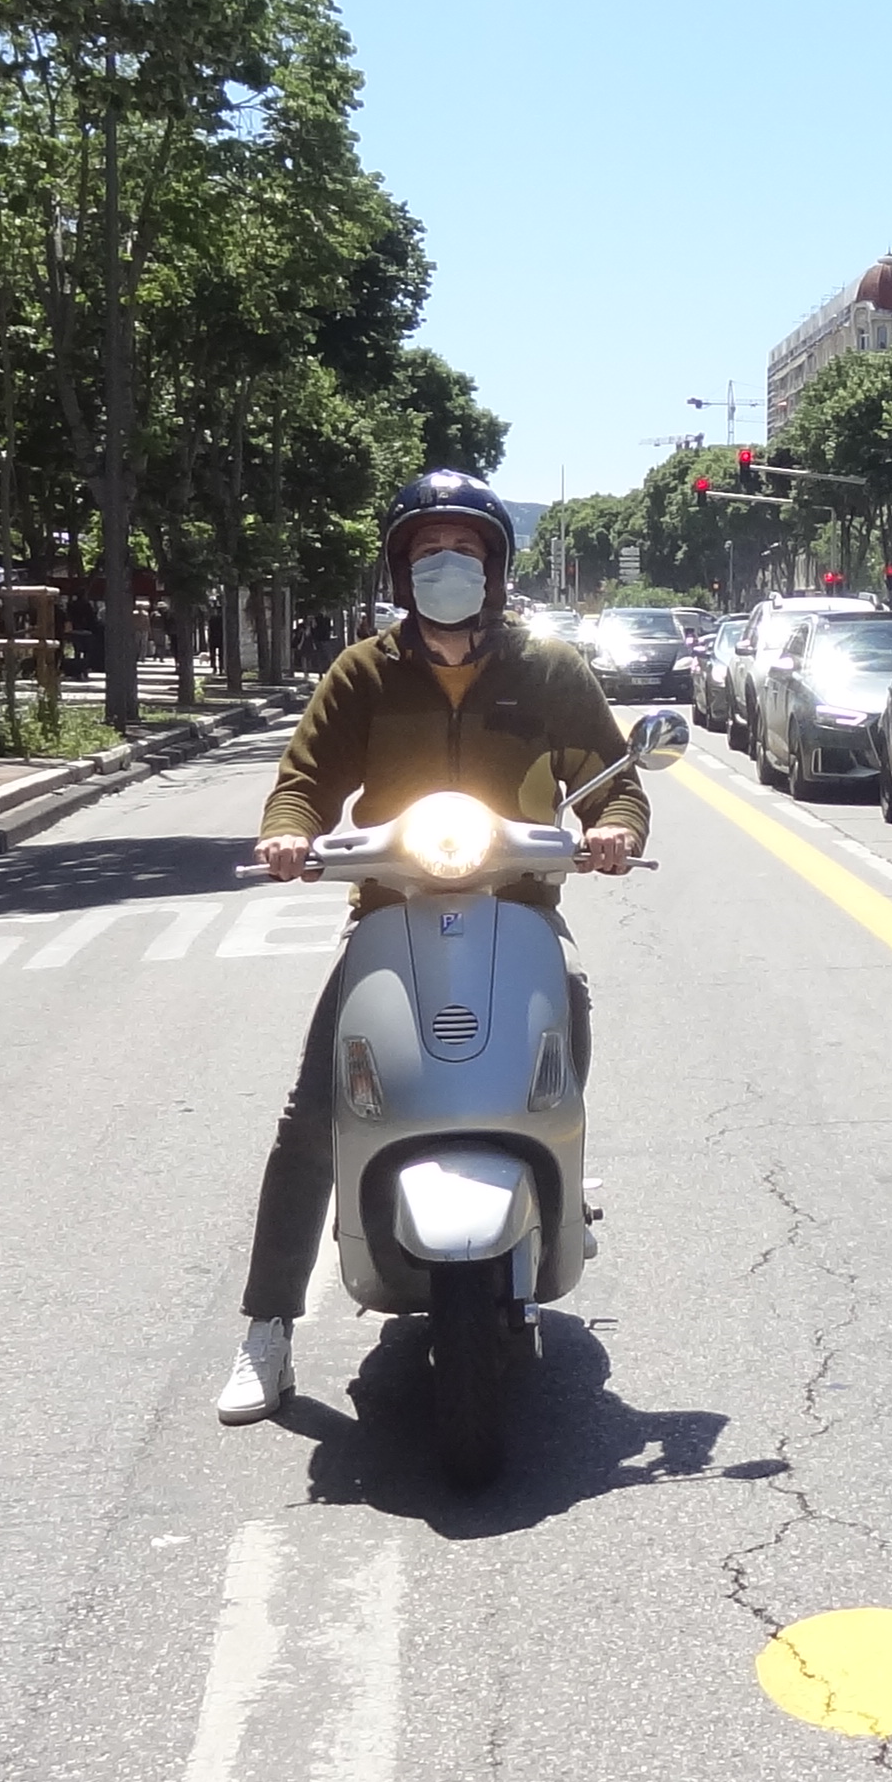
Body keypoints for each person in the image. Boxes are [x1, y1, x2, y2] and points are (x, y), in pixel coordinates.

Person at [219, 473, 652, 1428]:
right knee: (316, 1106)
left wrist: (617, 827)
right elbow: (305, 780)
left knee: (569, 1007)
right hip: (392, 906)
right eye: (426, 552)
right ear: (401, 567)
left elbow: (609, 777)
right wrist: (287, 834)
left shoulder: (547, 668)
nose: (445, 566)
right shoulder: (364, 672)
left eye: (464, 550)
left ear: (495, 567)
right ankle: (267, 1329)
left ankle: (560, 1187)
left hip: (520, 905)